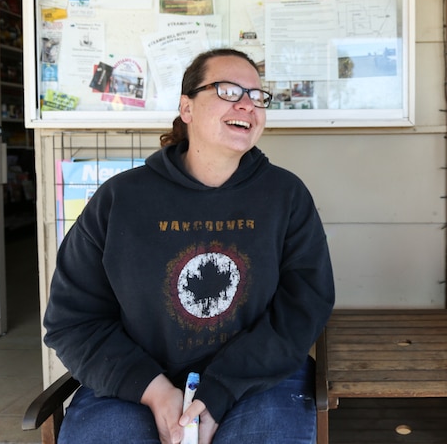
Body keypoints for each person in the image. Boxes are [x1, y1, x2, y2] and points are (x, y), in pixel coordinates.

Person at [43, 48, 335, 444]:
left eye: (257, 95)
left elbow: (303, 307)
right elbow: (73, 320)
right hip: (134, 381)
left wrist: (220, 389)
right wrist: (154, 390)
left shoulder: (285, 196)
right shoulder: (120, 200)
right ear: (187, 107)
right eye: (229, 91)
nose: (248, 104)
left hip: (257, 379)